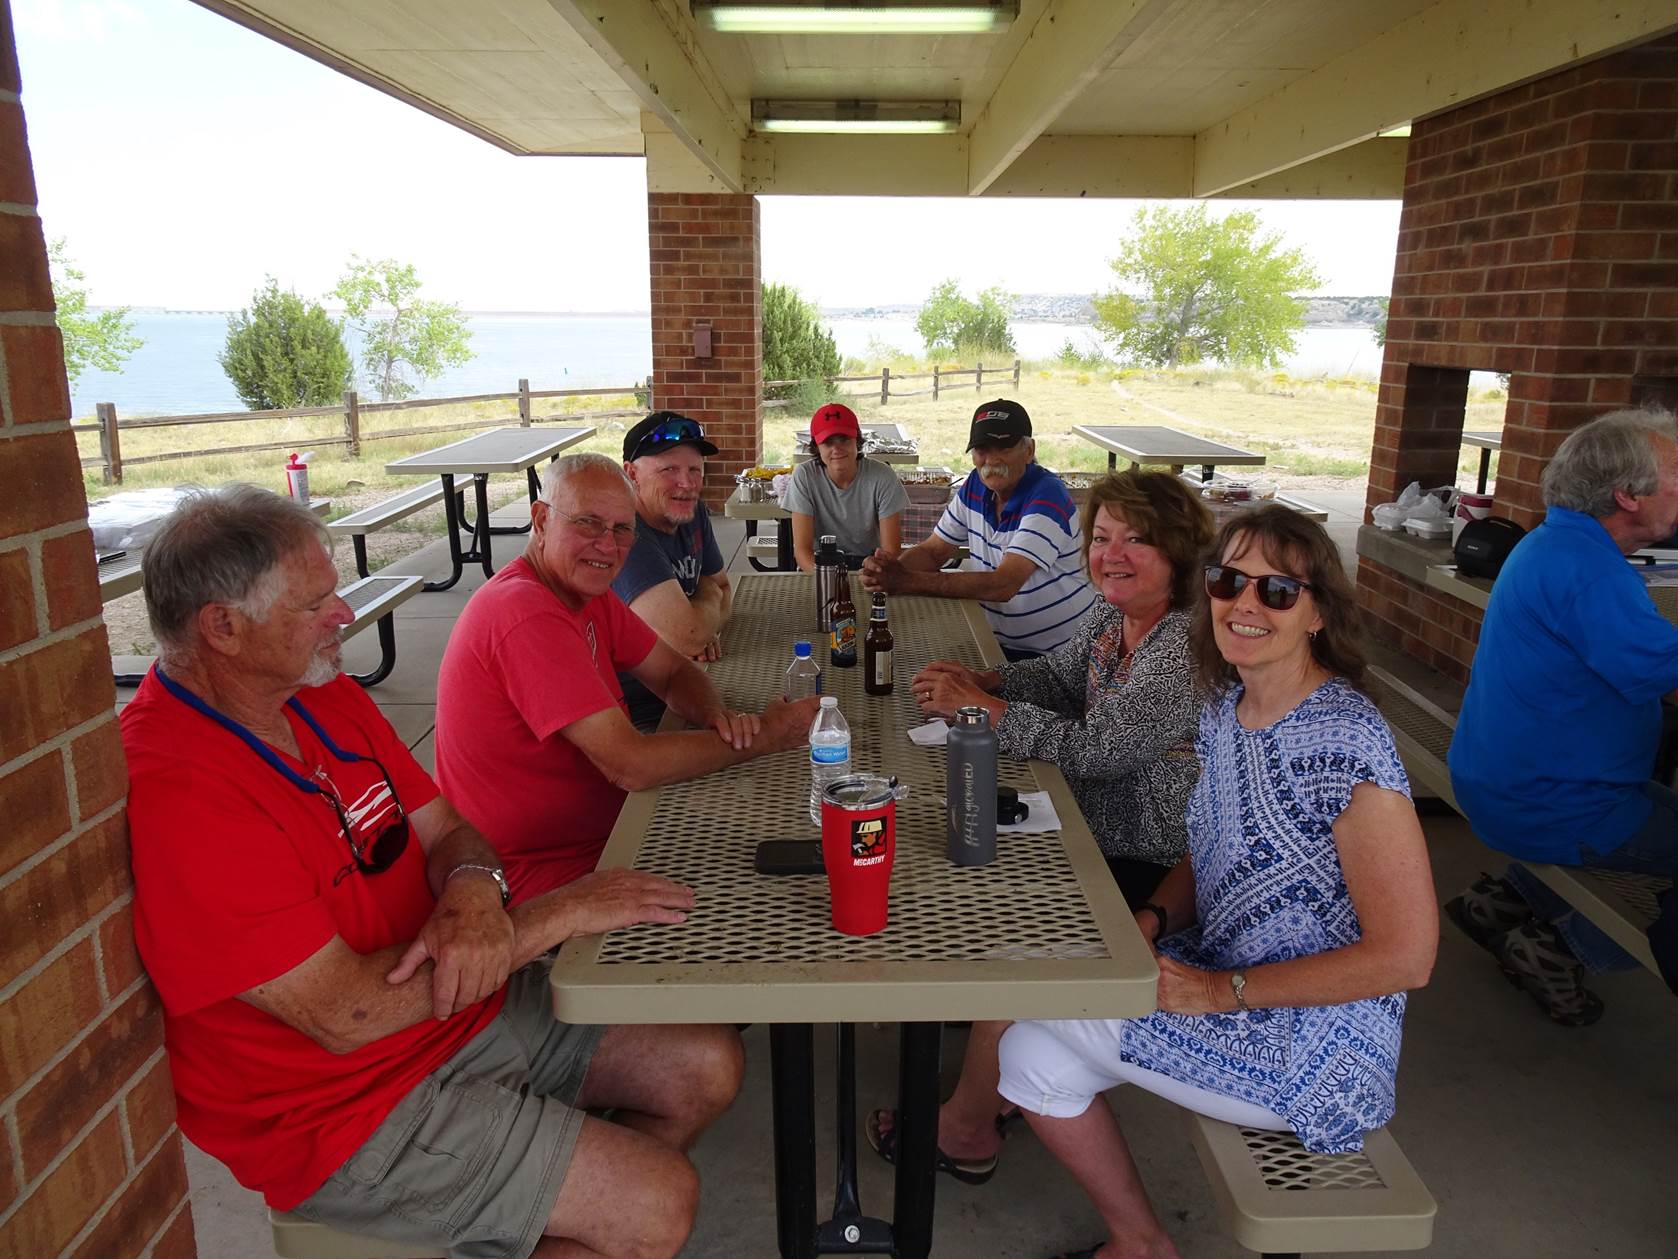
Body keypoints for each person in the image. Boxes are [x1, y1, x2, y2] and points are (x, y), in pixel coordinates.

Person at [121, 485, 743, 1259]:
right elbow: (344, 1016)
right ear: (223, 627)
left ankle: (530, 1204)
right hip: (337, 1109)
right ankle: (562, 1198)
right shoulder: (182, 790)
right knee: (658, 1200)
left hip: (451, 1018)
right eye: (316, 603)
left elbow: (447, 827)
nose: (344, 614)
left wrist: (474, 893)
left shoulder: (319, 694)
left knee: (706, 1064)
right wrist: (555, 914)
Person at [996, 506, 1437, 1259]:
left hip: (1315, 1047)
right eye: (1229, 580)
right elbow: (1212, 846)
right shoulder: (1225, 704)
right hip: (1223, 969)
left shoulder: (1346, 739)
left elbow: (1407, 956)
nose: (1245, 603)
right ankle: (1142, 1244)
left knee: (1024, 989)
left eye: (1277, 590)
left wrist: (1217, 991)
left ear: (1319, 612)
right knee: (1031, 1060)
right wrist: (1154, 920)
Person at [868, 471, 1212, 1184]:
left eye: (1136, 540)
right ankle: (991, 1053)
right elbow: (1058, 676)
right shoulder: (1116, 616)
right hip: (1089, 825)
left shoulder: (1182, 645)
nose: (1111, 554)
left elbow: (1099, 750)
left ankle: (969, 1128)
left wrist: (987, 711)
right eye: (1103, 538)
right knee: (953, 852)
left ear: (1177, 555)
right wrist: (989, 681)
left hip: (1149, 857)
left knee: (1009, 933)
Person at [436, 452, 820, 902]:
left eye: (622, 530)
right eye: (587, 523)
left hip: (614, 827)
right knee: (776, 895)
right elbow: (630, 765)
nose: (608, 545)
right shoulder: (524, 612)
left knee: (786, 836)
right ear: (540, 520)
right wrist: (768, 735)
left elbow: (674, 669)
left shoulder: (584, 592)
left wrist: (716, 715)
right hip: (539, 877)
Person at [1446, 406, 1678, 1023]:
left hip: (1504, 780)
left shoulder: (1554, 541)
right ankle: (1560, 947)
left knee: (1663, 805)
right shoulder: (1590, 573)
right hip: (1550, 802)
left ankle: (1506, 899)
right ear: (1628, 495)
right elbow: (1659, 671)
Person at [861, 398, 1096, 660]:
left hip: (1058, 656)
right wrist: (891, 573)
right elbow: (933, 552)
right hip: (993, 640)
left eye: (1004, 446)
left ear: (1029, 450)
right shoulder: (976, 484)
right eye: (982, 449)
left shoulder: (1047, 496)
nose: (991, 459)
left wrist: (906, 581)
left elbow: (1003, 585)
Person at [611, 410, 734, 729]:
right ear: (631, 474)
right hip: (634, 712)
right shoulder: (626, 536)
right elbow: (690, 637)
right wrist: (704, 610)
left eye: (695, 469)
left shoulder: (691, 514)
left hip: (685, 682)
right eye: (669, 470)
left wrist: (702, 623)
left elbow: (725, 589)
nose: (686, 483)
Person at [783, 400, 909, 571]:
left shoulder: (883, 475)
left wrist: (871, 575)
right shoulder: (804, 476)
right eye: (828, 442)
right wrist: (829, 579)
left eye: (844, 440)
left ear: (857, 441)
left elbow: (891, 552)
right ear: (816, 447)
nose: (837, 449)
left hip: (870, 563)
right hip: (820, 564)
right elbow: (802, 552)